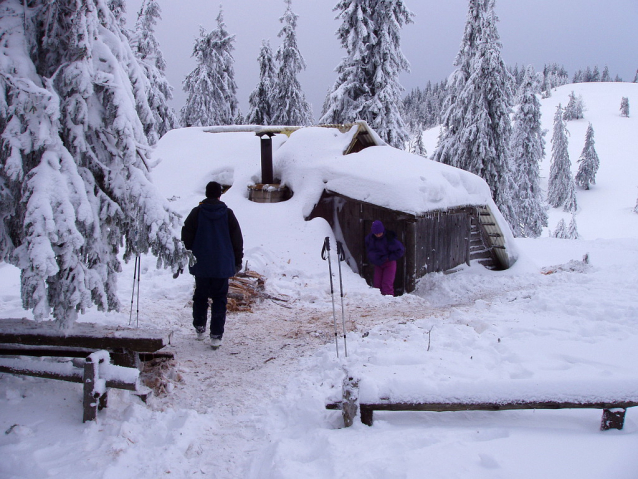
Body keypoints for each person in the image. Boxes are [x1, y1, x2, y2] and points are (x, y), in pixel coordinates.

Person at [181, 181, 243, 349]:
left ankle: (199, 327)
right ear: (219, 195)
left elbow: (186, 235)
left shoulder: (196, 213)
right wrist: (238, 260)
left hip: (201, 263)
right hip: (221, 265)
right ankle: (216, 335)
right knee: (219, 299)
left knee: (200, 296)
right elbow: (237, 239)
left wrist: (190, 254)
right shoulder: (228, 214)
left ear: (206, 193)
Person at [365, 220, 405, 296]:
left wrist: (389, 258)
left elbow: (400, 250)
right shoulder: (370, 239)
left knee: (387, 284)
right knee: (377, 285)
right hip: (378, 263)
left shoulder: (390, 239)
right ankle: (378, 302)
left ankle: (389, 302)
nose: (378, 235)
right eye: (376, 234)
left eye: (380, 233)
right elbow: (369, 249)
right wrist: (373, 258)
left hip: (389, 263)